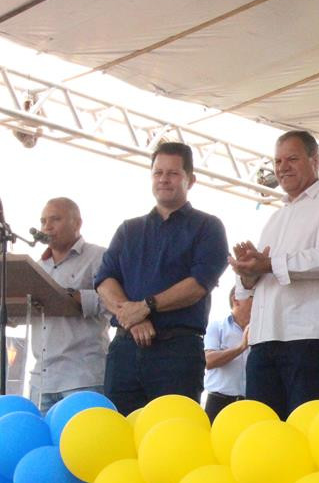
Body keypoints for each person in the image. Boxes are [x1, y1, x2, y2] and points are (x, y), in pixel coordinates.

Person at [96, 142, 229, 415]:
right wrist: (132, 318)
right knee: (119, 432)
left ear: (191, 180)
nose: (163, 179)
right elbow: (104, 280)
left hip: (177, 351)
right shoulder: (128, 229)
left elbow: (199, 284)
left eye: (172, 173)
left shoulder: (208, 226)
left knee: (174, 437)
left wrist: (146, 306)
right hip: (124, 348)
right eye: (158, 173)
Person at [231, 130, 319, 419]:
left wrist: (269, 263)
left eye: (292, 159)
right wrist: (247, 272)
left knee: (303, 428)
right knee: (261, 429)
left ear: (315, 161)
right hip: (264, 337)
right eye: (277, 161)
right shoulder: (276, 217)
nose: (282, 167)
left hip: (310, 335)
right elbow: (252, 285)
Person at [28, 198, 109, 414]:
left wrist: (77, 298)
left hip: (82, 376)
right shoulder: (36, 268)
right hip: (41, 379)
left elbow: (117, 306)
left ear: (77, 223)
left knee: (83, 444)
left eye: (55, 219)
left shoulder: (99, 257)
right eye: (43, 221)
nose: (47, 226)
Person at [202, 291, 252, 420]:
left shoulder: (263, 329)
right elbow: (208, 361)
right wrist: (241, 347)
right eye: (252, 297)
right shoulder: (217, 326)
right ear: (236, 299)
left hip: (250, 403)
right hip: (219, 402)